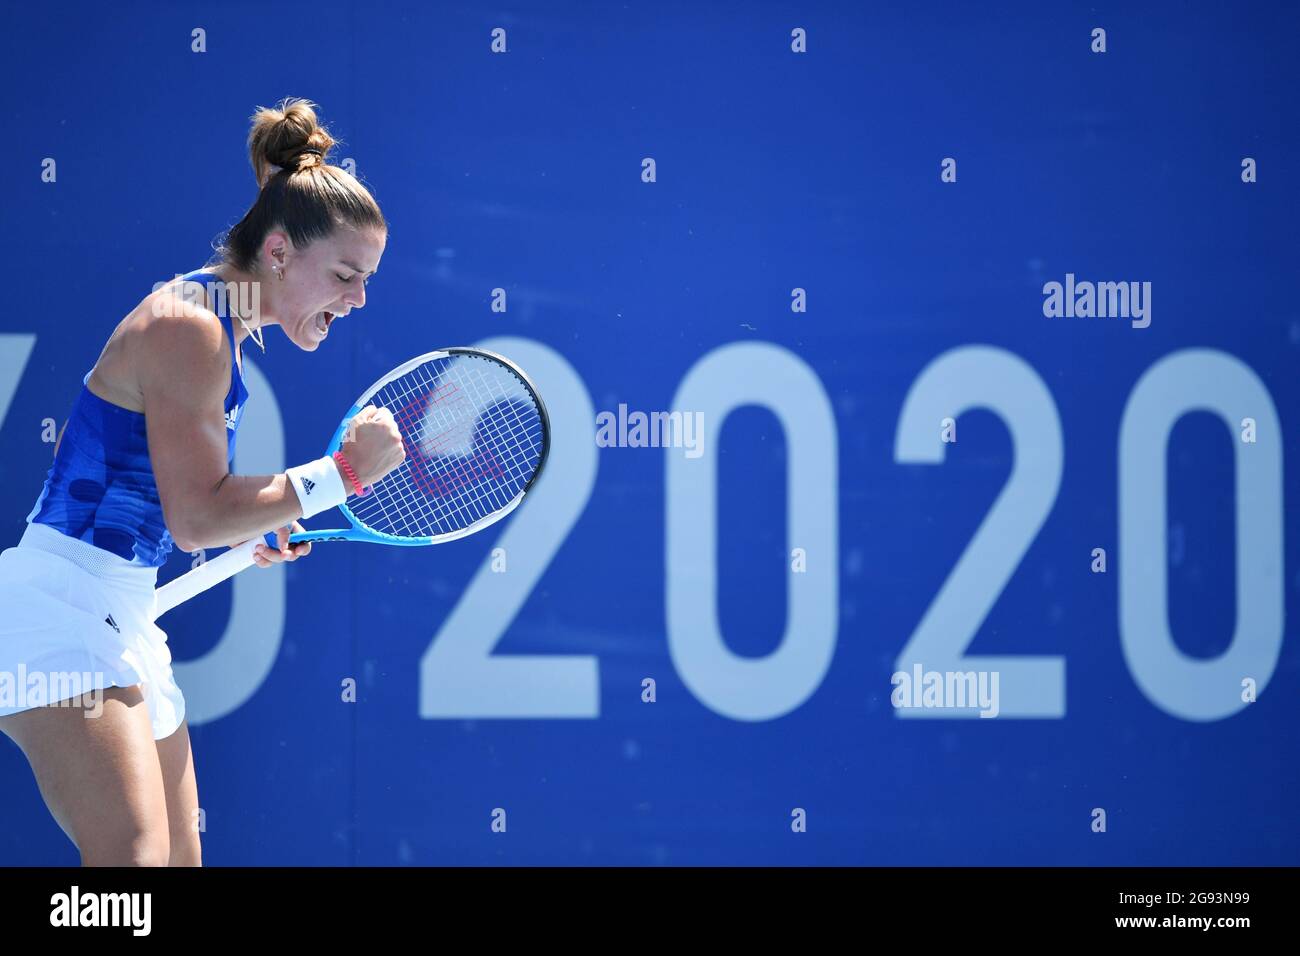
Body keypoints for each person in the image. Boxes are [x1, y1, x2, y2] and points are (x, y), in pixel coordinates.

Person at [0, 96, 405, 866]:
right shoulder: (190, 326)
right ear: (280, 252)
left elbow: (187, 508)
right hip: (54, 613)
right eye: (347, 274)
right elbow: (194, 519)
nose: (358, 299)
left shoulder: (222, 325)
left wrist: (255, 521)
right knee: (131, 874)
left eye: (367, 280)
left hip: (120, 616)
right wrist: (342, 475)